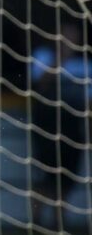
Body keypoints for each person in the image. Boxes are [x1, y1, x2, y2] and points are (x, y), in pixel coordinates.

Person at [30, 23, 92, 231]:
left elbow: (87, 101)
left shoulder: (85, 64)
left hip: (73, 127)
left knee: (67, 177)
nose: (70, 40)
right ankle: (36, 221)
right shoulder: (43, 56)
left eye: (74, 36)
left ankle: (58, 222)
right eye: (66, 35)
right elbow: (41, 84)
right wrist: (62, 56)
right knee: (45, 175)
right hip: (46, 125)